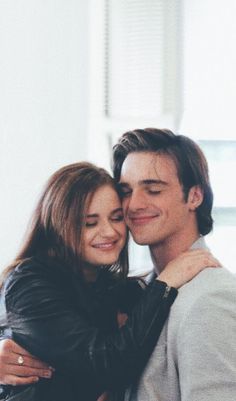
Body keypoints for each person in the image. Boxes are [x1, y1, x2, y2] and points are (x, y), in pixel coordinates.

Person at [0, 161, 219, 401]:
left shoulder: (103, 282)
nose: (109, 232)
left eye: (116, 218)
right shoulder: (30, 283)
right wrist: (166, 282)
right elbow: (107, 364)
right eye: (89, 223)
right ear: (58, 226)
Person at [112, 127, 236, 401]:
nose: (133, 205)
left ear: (195, 196)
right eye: (125, 190)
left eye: (153, 189)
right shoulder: (139, 286)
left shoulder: (211, 297)